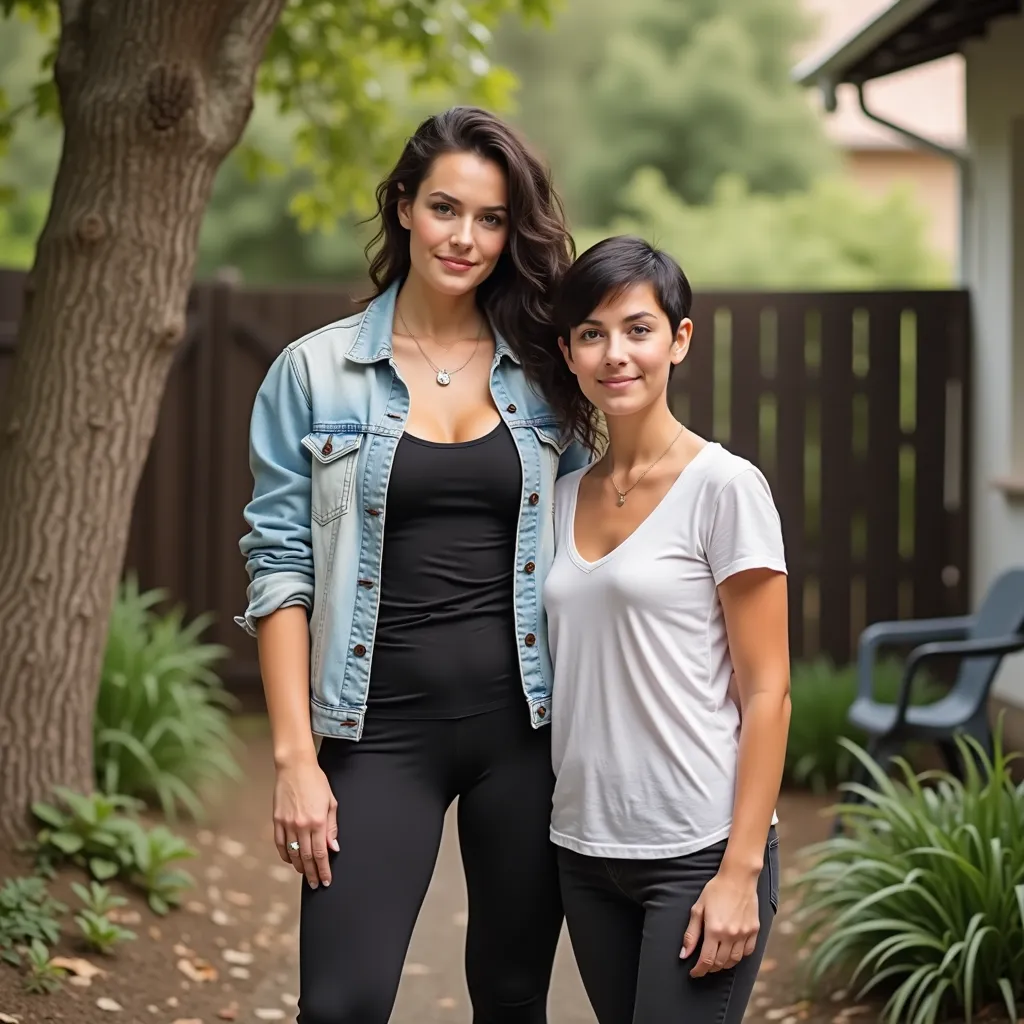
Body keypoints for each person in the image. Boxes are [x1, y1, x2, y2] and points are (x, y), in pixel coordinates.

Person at [235, 107, 592, 1024]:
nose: (465, 238)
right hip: (376, 733)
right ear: (402, 207)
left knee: (513, 998)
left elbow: (603, 529)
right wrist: (293, 763)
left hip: (529, 729)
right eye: (444, 208)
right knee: (341, 1003)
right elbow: (280, 569)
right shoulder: (313, 374)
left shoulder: (552, 373)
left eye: (492, 218)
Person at [543, 235, 791, 1024]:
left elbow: (769, 689)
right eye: (592, 333)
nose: (616, 353)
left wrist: (740, 871)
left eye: (638, 329)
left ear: (679, 340)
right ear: (569, 352)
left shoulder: (725, 487)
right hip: (584, 850)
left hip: (697, 849)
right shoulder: (559, 496)